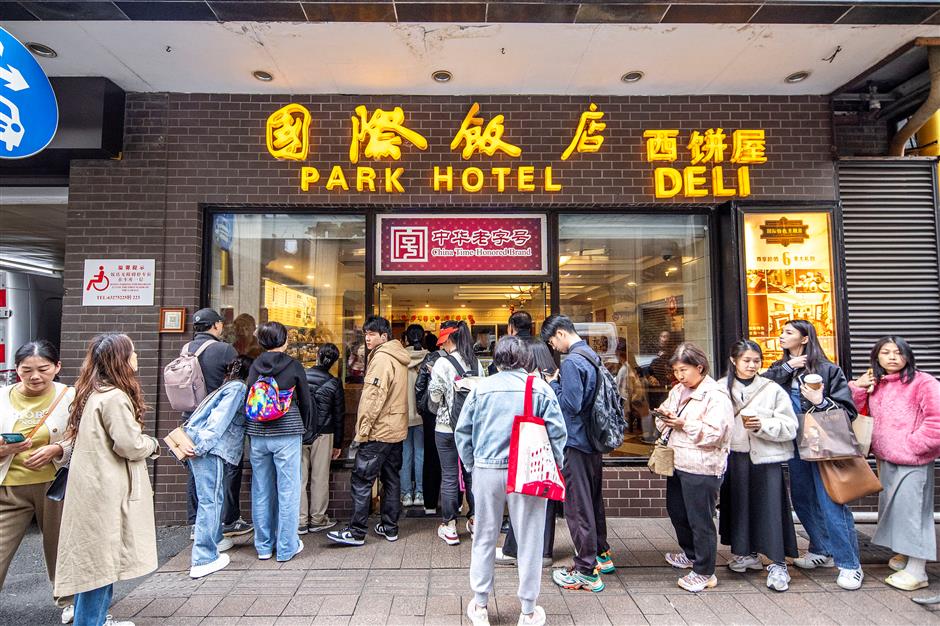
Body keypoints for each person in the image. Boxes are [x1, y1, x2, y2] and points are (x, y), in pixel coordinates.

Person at [456, 336, 567, 626]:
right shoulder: (539, 388)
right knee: (530, 538)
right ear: (526, 359)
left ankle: (480, 605)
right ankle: (528, 610)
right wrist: (554, 466)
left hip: (486, 469)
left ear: (496, 359)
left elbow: (462, 431)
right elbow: (557, 434)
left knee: (484, 535)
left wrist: (472, 466)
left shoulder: (481, 389)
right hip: (528, 470)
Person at [54, 334, 161, 626]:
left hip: (92, 486)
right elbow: (128, 444)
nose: (137, 357)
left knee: (97, 561)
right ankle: (91, 621)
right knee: (100, 564)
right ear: (121, 360)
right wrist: (152, 445)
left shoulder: (91, 392)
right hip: (106, 489)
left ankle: (95, 619)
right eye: (133, 353)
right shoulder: (115, 398)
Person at [763, 320, 863, 590]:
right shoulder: (779, 369)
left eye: (788, 333)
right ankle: (821, 549)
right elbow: (759, 387)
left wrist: (820, 401)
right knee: (803, 499)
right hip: (793, 443)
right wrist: (787, 368)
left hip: (823, 445)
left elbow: (848, 411)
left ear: (805, 339)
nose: (781, 336)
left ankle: (850, 564)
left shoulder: (829, 371)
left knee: (831, 502)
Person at [850, 336, 940, 591]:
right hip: (885, 457)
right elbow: (856, 411)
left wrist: (913, 446)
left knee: (913, 513)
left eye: (898, 352)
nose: (892, 357)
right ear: (876, 356)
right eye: (886, 352)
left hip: (913, 459)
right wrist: (858, 387)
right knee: (895, 509)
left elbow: (936, 422)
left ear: (908, 356)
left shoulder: (924, 382)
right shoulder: (877, 383)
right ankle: (904, 555)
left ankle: (917, 569)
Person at [0, 341, 76, 624]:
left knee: (60, 546)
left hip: (54, 485)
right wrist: (4, 449)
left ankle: (69, 600)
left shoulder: (71, 396)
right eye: (26, 370)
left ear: (57, 367)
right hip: (9, 485)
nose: (35, 376)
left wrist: (57, 450)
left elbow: (81, 436)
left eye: (43, 369)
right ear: (16, 370)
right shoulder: (2, 396)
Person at [717, 340, 799, 592]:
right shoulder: (720, 388)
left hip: (766, 458)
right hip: (735, 456)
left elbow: (791, 425)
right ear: (733, 361)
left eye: (756, 361)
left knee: (771, 509)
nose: (752, 365)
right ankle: (746, 554)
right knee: (739, 506)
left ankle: (777, 563)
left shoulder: (772, 389)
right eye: (746, 360)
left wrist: (762, 426)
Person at [540, 314, 611, 592]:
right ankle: (601, 555)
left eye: (551, 341)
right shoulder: (591, 355)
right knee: (594, 501)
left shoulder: (571, 361)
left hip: (577, 441)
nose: (553, 347)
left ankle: (585, 570)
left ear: (559, 333)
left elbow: (570, 404)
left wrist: (553, 383)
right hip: (594, 440)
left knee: (578, 506)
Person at [657, 342, 734, 593]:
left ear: (699, 367)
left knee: (701, 520)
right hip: (678, 461)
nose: (680, 376)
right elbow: (665, 424)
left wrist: (682, 424)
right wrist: (665, 418)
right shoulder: (678, 390)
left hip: (703, 466)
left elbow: (716, 434)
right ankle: (690, 554)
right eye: (677, 371)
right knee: (677, 511)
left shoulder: (716, 394)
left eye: (684, 370)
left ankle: (705, 571)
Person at [327, 315, 410, 546]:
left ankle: (356, 532)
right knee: (391, 478)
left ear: (384, 336)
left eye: (371, 334)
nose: (367, 338)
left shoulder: (382, 358)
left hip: (378, 429)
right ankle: (390, 527)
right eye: (366, 334)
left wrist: (362, 430)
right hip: (396, 428)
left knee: (362, 479)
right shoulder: (398, 356)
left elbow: (373, 397)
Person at [246, 321, 314, 562]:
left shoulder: (255, 365)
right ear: (284, 340)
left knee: (261, 490)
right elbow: (306, 400)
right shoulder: (293, 365)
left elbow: (248, 398)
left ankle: (263, 547)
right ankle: (286, 547)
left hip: (258, 433)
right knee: (288, 490)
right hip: (286, 432)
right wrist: (308, 430)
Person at [182, 308, 251, 540]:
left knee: (195, 471)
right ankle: (229, 519)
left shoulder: (186, 350)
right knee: (229, 468)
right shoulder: (224, 350)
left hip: (190, 418)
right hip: (218, 420)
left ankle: (196, 521)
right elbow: (238, 381)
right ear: (216, 326)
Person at [182, 356, 252, 579]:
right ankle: (203, 557)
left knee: (212, 498)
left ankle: (215, 541)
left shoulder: (226, 387)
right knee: (210, 501)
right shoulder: (238, 389)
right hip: (209, 449)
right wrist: (202, 446)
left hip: (202, 447)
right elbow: (219, 420)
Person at [497, 339, 559, 568]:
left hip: (529, 448)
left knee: (523, 497)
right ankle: (539, 551)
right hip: (544, 448)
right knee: (541, 500)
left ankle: (519, 550)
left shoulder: (532, 383)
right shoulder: (549, 380)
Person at [429, 320, 484, 546]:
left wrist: (435, 377)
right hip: (471, 429)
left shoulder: (442, 363)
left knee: (450, 476)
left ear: (449, 339)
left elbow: (434, 398)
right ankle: (474, 521)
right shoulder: (476, 362)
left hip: (446, 429)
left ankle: (450, 526)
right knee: (471, 475)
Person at [300, 343, 345, 534]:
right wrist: (338, 443)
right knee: (320, 477)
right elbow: (339, 415)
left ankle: (300, 521)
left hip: (300, 432)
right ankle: (318, 518)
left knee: (299, 479)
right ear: (334, 362)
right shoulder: (334, 383)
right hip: (324, 434)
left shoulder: (301, 376)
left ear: (317, 356)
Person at [414, 321, 458, 516]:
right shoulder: (466, 359)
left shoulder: (433, 358)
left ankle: (430, 503)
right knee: (456, 461)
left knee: (431, 458)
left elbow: (419, 385)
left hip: (434, 415)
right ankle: (455, 504)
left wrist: (423, 409)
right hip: (456, 415)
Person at [401, 324, 428, 508]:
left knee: (405, 454)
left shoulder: (400, 359)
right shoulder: (429, 358)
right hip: (422, 414)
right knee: (420, 454)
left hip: (402, 414)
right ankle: (420, 492)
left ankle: (406, 495)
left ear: (407, 339)